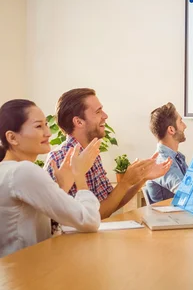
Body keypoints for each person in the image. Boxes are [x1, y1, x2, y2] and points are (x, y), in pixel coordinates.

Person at [44, 88, 172, 219]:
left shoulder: (92, 153)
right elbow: (92, 216)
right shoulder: (60, 159)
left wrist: (142, 177)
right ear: (78, 122)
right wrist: (125, 182)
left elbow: (110, 203)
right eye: (98, 111)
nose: (105, 116)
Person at [0, 99, 101, 257]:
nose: (48, 133)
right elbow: (89, 221)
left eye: (46, 124)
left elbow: (34, 220)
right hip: (25, 272)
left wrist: (62, 188)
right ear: (12, 138)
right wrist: (79, 176)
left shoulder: (9, 170)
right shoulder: (23, 171)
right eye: (38, 126)